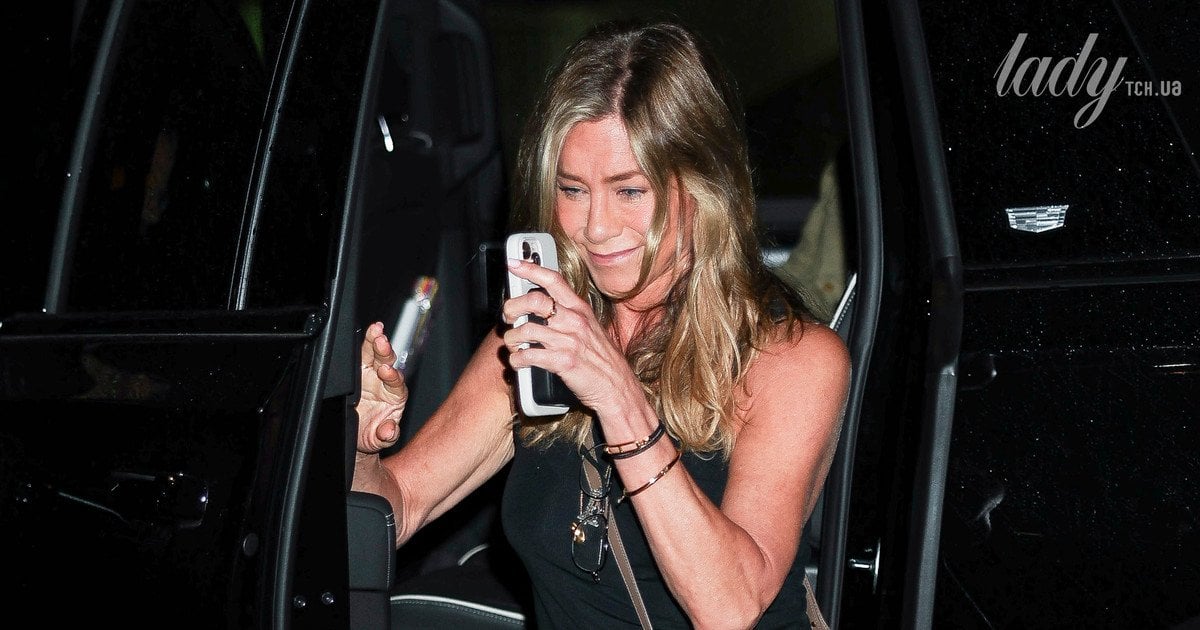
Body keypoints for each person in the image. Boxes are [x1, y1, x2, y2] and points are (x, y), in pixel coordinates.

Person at [353, 19, 850, 629]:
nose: (595, 227)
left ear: (704, 186)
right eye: (572, 190)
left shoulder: (792, 359)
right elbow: (398, 509)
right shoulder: (540, 333)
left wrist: (618, 396)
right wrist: (362, 449)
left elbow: (729, 608)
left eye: (629, 191)